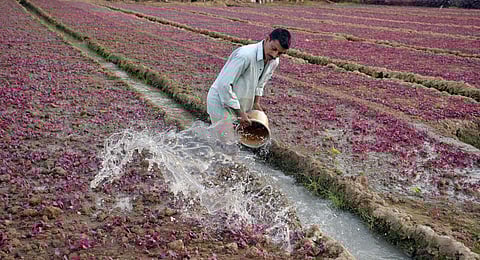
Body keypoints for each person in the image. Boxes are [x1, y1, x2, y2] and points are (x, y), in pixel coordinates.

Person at [206, 28, 292, 138]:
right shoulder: (245, 55)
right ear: (267, 39)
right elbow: (224, 85)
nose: (275, 55)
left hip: (238, 104)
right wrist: (240, 113)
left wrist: (256, 103)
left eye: (280, 53)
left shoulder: (273, 61)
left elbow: (261, 83)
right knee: (227, 141)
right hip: (220, 102)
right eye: (273, 49)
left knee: (238, 139)